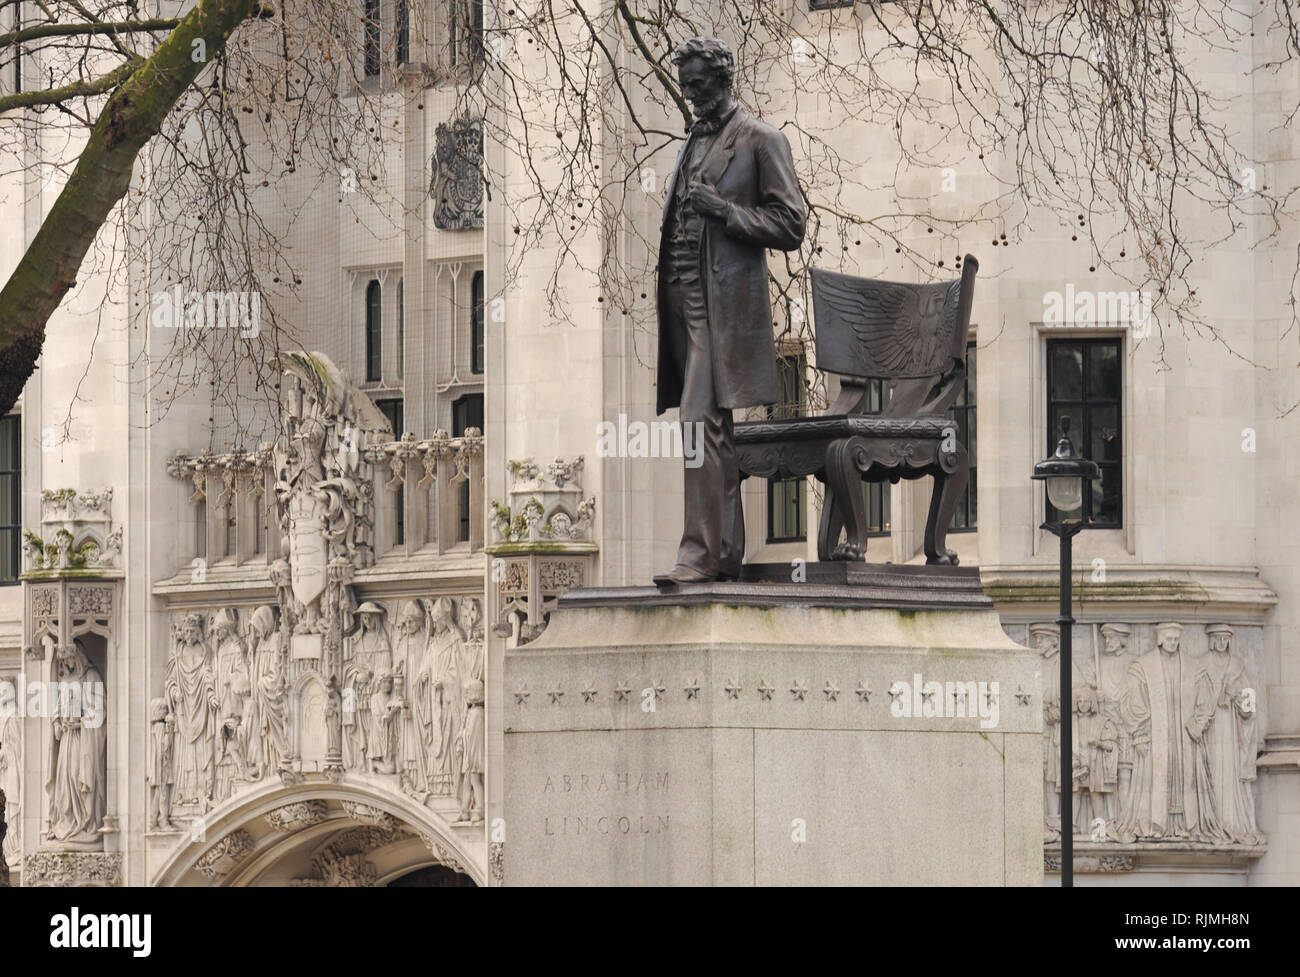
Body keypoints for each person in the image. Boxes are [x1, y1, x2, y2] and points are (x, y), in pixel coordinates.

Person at [654, 36, 806, 583]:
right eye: (685, 84)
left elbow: (791, 223)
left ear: (723, 79)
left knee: (698, 422)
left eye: (698, 84)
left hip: (721, 305)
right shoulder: (691, 141)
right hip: (678, 300)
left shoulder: (761, 140)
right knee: (708, 426)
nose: (690, 94)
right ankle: (724, 550)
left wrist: (725, 212)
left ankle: (699, 554)